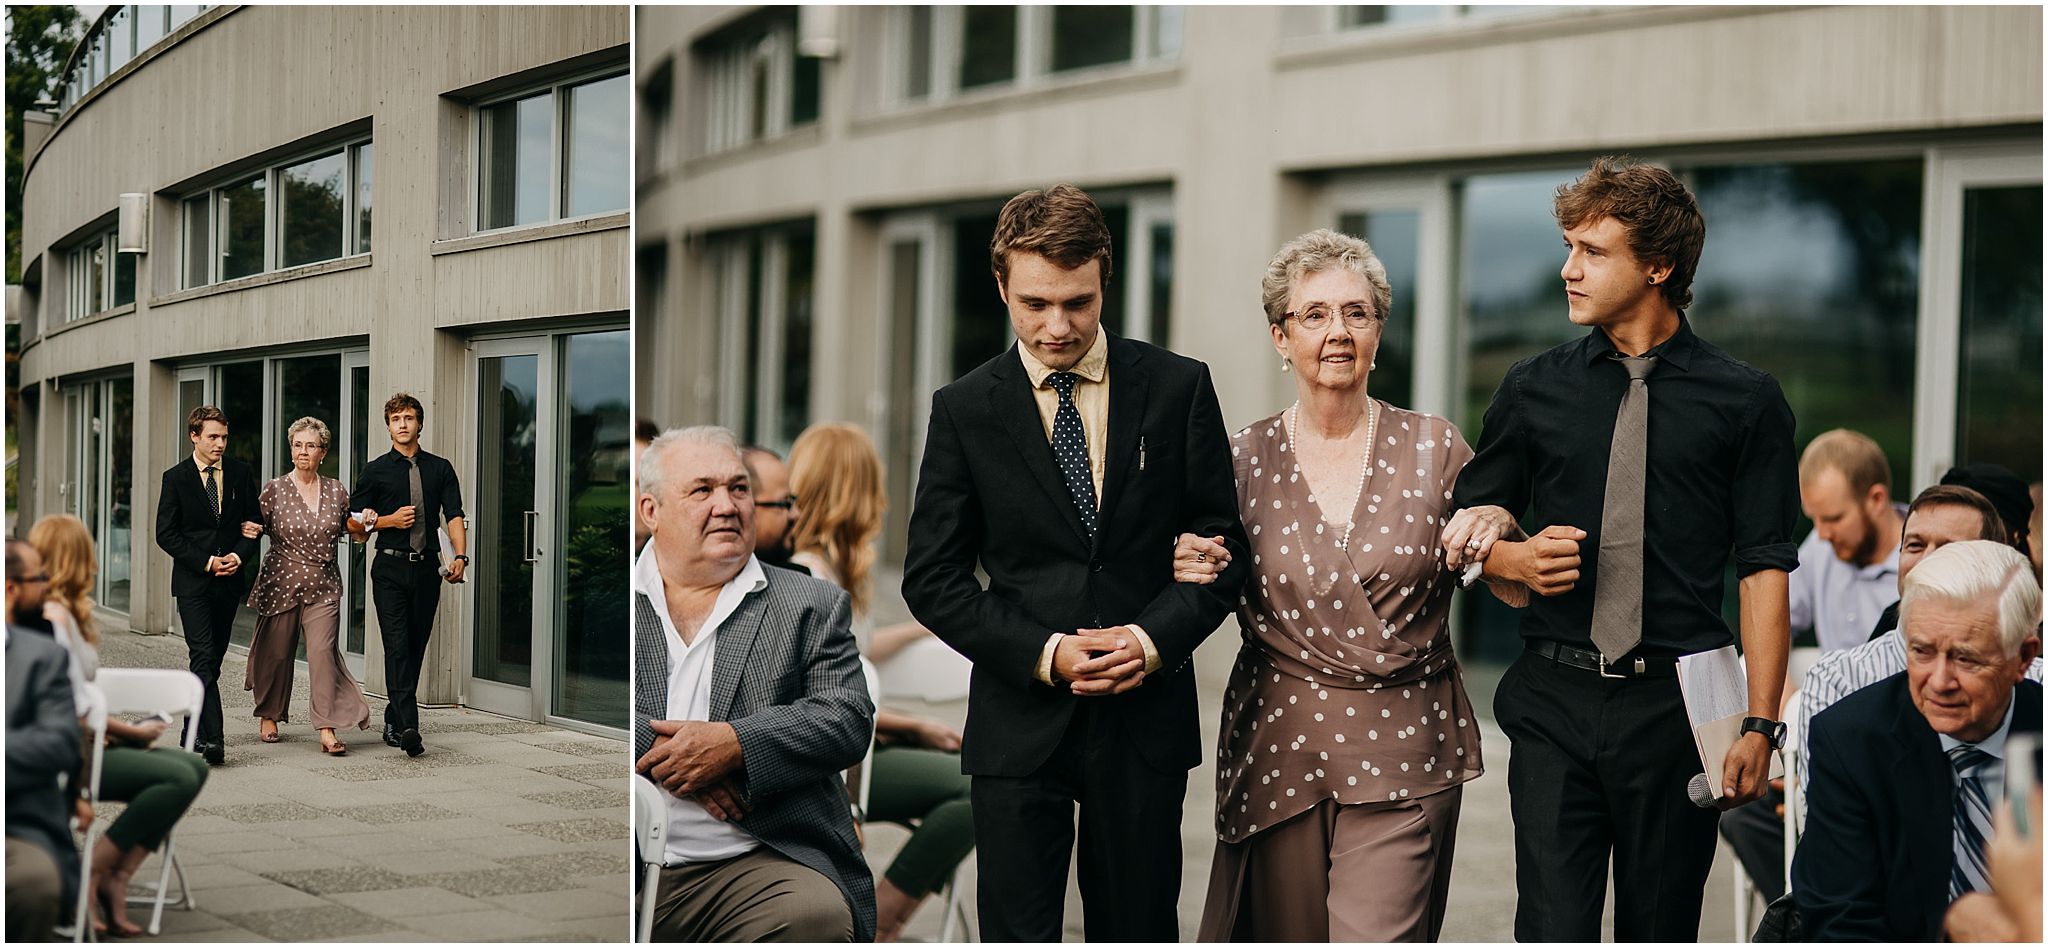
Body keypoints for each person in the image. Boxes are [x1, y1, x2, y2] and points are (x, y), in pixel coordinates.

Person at [1439, 156, 1798, 941]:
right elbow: (1467, 528)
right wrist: (1511, 559)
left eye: (1592, 252)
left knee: (1660, 928)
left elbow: (1765, 568)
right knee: (1552, 926)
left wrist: (1759, 726)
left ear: (1659, 266)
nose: (1567, 270)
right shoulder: (1532, 387)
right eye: (1568, 247)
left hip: (1678, 711)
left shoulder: (1747, 401)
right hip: (1552, 701)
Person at [902, 183, 1250, 941]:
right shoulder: (962, 408)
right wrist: (1047, 653)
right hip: (1019, 720)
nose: (1056, 326)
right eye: (1034, 304)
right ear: (1000, 285)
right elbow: (932, 577)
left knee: (1138, 930)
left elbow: (1225, 552)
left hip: (1144, 717)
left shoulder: (1179, 386)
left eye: (1077, 302)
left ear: (1105, 280)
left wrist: (1149, 641)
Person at [1166, 229, 1514, 941]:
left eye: (1358, 314)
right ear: (1280, 336)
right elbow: (1196, 571)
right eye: (1315, 314)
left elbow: (1507, 571)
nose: (1338, 332)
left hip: (1405, 756)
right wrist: (1183, 561)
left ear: (1379, 333)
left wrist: (1497, 520)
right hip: (1279, 750)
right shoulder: (1239, 459)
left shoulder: (1436, 446)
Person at [634, 426, 875, 942]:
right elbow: (585, 701)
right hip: (623, 854)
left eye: (738, 488)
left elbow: (848, 717)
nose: (727, 505)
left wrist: (735, 746)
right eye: (702, 490)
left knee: (816, 917)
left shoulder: (808, 602)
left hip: (753, 862)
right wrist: (665, 751)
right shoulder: (615, 597)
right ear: (651, 511)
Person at [1791, 540, 2042, 941]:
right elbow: (1841, 923)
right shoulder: (1852, 742)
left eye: (1966, 658)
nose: (1939, 682)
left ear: (2024, 657)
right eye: (1921, 652)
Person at [785, 422, 974, 942]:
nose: (887, 498)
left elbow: (857, 651)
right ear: (856, 491)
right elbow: (815, 695)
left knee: (979, 771)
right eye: (877, 483)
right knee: (978, 787)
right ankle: (882, 917)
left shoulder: (826, 568)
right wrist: (911, 727)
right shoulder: (806, 575)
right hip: (834, 769)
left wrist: (925, 626)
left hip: (859, 748)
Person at [1798, 486, 2046, 792]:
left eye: (1948, 549)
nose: (1925, 561)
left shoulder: (2039, 682)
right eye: (1914, 545)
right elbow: (1826, 808)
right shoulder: (1840, 677)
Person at [31, 515, 210, 937]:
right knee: (177, 777)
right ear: (77, 559)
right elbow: (75, 709)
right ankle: (91, 872)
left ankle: (118, 874)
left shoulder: (60, 613)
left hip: (89, 741)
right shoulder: (54, 621)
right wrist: (133, 732)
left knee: (194, 768)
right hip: (71, 757)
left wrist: (117, 732)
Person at [241, 417, 374, 755]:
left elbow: (354, 532)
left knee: (321, 655)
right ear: (291, 450)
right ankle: (269, 714)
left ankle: (326, 727)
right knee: (276, 653)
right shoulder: (274, 488)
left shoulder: (336, 490)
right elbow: (254, 523)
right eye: (298, 445)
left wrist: (366, 525)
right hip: (281, 582)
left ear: (323, 452)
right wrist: (246, 532)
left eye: (310, 445)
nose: (303, 451)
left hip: (324, 585)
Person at [348, 393, 467, 758]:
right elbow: (353, 525)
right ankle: (409, 726)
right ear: (388, 426)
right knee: (397, 645)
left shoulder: (440, 468)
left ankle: (393, 716)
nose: (403, 424)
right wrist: (388, 521)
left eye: (409, 418)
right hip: (389, 567)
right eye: (396, 418)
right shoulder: (375, 470)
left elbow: (455, 515)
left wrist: (461, 556)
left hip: (428, 568)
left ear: (420, 424)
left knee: (414, 646)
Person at [155, 405, 260, 765]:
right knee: (201, 655)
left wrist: (239, 555)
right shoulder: (176, 478)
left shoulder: (241, 473)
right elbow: (165, 534)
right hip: (193, 583)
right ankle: (214, 739)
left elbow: (253, 523)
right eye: (213, 437)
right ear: (194, 436)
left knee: (211, 662)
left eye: (224, 437)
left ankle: (191, 729)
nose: (220, 444)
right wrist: (206, 561)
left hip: (229, 583)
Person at [6, 539, 80, 943]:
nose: (47, 585)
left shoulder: (42, 656)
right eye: (39, 578)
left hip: (15, 823)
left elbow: (60, 742)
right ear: (10, 588)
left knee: (34, 883)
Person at [1789, 429, 1905, 652]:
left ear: (1876, 500)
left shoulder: (1920, 561)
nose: (1822, 534)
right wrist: (1783, 685)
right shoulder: (1820, 545)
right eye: (1815, 519)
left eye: (1834, 519)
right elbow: (1777, 615)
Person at [741, 445, 807, 574]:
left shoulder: (806, 584)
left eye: (792, 500)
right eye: (785, 503)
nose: (796, 514)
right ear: (746, 507)